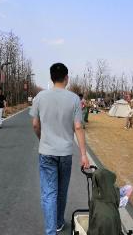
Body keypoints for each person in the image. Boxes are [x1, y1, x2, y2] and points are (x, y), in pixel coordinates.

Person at [29, 63, 90, 235]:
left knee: (49, 193)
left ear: (51, 78)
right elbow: (78, 127)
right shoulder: (74, 99)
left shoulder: (40, 97)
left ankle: (51, 231)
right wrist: (84, 155)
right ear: (66, 78)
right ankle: (58, 223)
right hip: (65, 153)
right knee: (61, 190)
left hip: (46, 152)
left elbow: (35, 124)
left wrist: (42, 139)